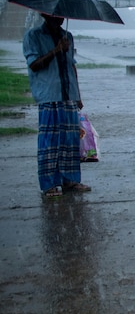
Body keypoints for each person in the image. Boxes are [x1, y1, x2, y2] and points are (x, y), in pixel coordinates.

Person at [22, 14, 91, 197]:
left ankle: (70, 180)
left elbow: (71, 66)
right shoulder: (33, 36)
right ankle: (49, 185)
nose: (60, 18)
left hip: (68, 96)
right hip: (49, 96)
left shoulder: (67, 36)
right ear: (45, 15)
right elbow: (34, 65)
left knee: (70, 142)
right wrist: (56, 50)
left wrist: (78, 94)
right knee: (49, 143)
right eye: (55, 15)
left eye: (62, 15)